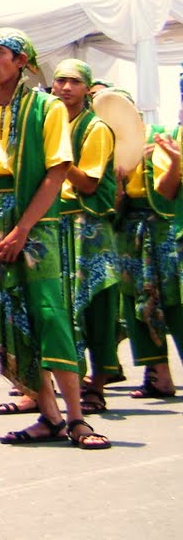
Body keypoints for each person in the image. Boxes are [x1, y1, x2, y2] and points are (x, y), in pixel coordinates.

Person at [0, 29, 109, 449]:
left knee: (50, 315)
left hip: (36, 222)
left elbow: (57, 172)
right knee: (11, 315)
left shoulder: (47, 107)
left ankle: (77, 419)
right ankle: (49, 416)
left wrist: (22, 230)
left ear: (21, 60)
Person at [48, 60, 124, 412]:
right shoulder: (50, 122)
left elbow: (90, 183)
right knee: (60, 307)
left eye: (73, 82)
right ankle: (61, 386)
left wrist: (59, 161)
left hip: (88, 227)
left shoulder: (95, 128)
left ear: (86, 88)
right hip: (55, 224)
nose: (64, 87)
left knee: (95, 307)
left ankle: (99, 383)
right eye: (59, 80)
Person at [118, 106, 182, 399]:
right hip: (129, 233)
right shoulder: (110, 149)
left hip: (163, 230)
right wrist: (119, 178)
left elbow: (168, 192)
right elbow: (113, 205)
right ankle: (158, 376)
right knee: (137, 304)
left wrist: (174, 162)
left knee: (175, 300)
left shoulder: (159, 138)